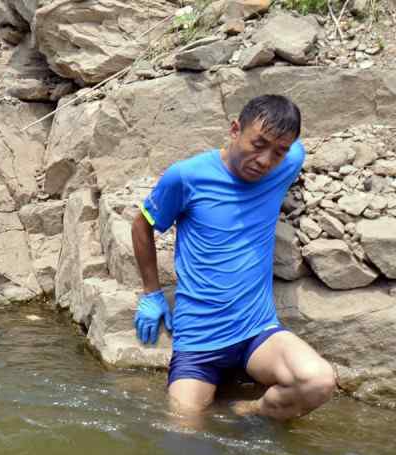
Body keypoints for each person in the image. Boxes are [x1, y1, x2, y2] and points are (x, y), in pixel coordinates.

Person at [132, 94, 335, 421]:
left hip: (258, 332)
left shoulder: (287, 161)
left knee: (318, 381)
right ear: (234, 129)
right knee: (182, 429)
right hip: (198, 341)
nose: (265, 161)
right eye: (258, 144)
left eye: (278, 152)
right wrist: (152, 294)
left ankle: (251, 410)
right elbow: (142, 225)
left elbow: (295, 149)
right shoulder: (186, 177)